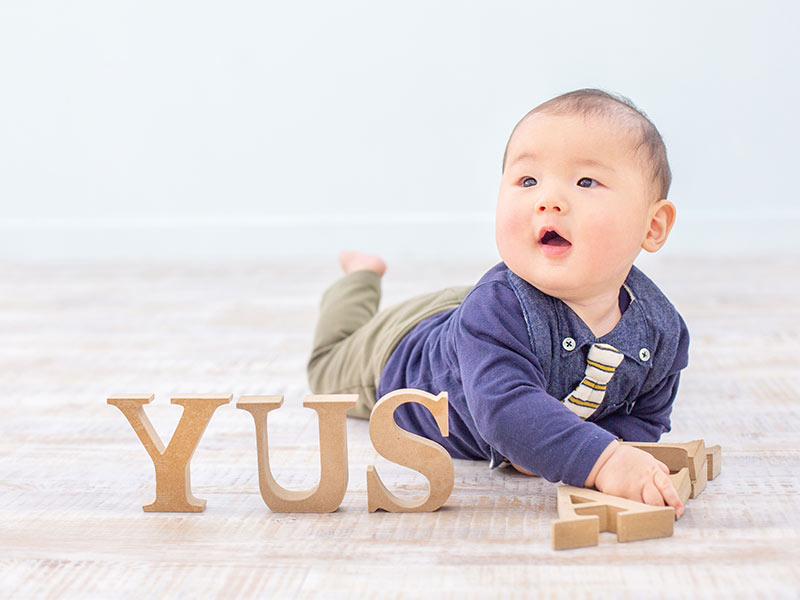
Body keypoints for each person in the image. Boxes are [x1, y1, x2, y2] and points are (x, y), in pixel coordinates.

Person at [306, 89, 688, 514]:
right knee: (325, 366)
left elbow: (647, 413)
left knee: (482, 312)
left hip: (472, 312)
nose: (549, 200)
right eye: (528, 181)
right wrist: (602, 460)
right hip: (397, 354)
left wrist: (591, 443)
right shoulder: (493, 310)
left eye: (585, 181)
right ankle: (360, 275)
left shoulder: (659, 328)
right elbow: (505, 411)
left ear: (652, 226)